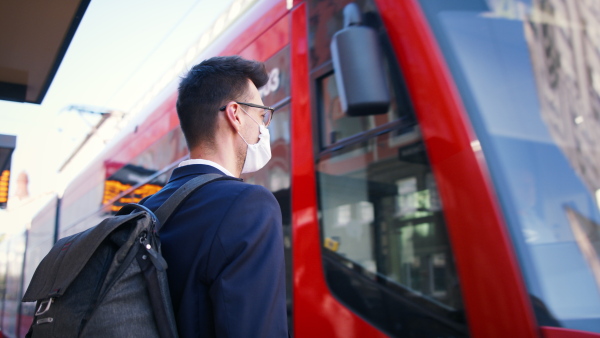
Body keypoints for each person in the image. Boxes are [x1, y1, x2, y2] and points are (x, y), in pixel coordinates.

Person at [142, 56, 288, 337]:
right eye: (261, 116)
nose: (263, 129)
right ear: (235, 115)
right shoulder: (249, 206)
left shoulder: (145, 210)